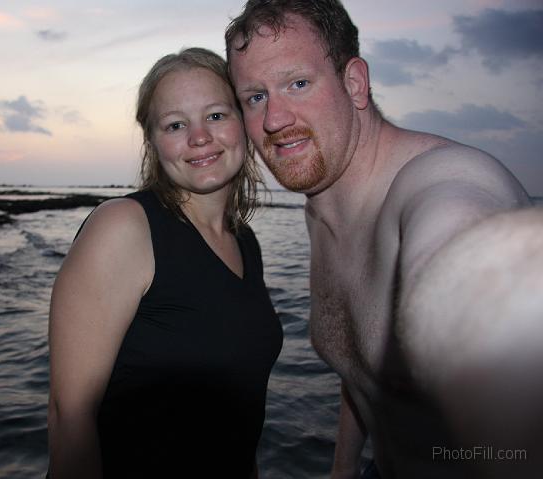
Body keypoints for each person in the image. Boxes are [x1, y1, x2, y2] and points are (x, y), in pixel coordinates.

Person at [225, 1, 538, 477]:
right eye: (254, 97)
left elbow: (461, 240)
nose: (274, 119)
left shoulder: (441, 180)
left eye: (298, 83)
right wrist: (342, 470)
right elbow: (365, 370)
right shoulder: (323, 206)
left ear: (355, 83)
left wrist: (485, 306)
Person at [47, 47, 283, 479]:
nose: (199, 137)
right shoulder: (124, 227)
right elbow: (70, 417)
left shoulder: (245, 242)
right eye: (176, 124)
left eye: (215, 115)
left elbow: (239, 416)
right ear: (153, 142)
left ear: (244, 123)